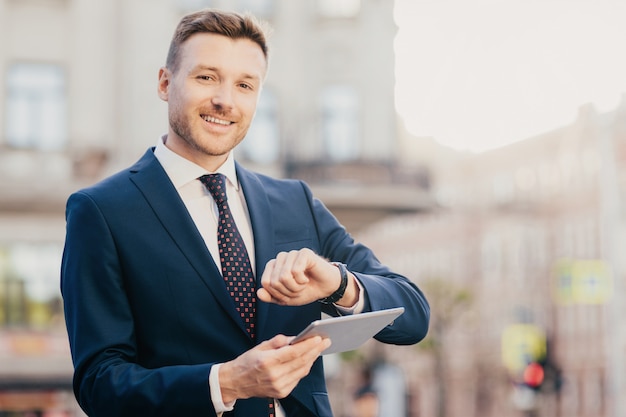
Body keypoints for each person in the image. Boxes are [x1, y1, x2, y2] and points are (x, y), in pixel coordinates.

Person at [60, 8, 429, 417]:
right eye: (206, 77)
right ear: (166, 83)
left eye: (245, 85)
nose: (225, 100)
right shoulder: (101, 211)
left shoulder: (296, 202)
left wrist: (339, 284)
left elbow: (412, 315)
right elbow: (99, 384)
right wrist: (227, 382)